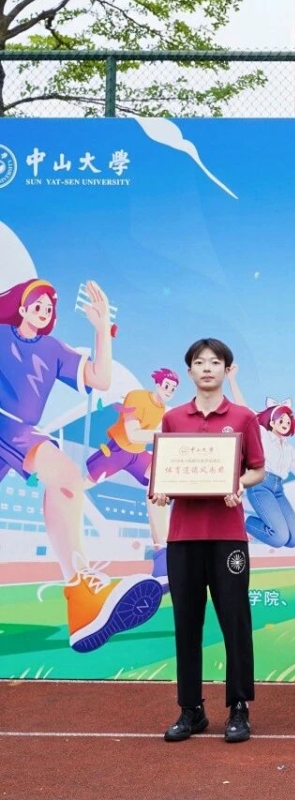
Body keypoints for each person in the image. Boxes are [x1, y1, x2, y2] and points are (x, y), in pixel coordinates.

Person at [0, 278, 163, 652]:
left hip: (19, 431)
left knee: (67, 478)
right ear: (21, 309)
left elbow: (100, 379)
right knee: (66, 477)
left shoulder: (52, 349)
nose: (44, 311)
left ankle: (82, 601)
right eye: (37, 305)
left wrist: (102, 328)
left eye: (49, 308)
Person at [153, 338, 265, 744]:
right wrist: (161, 489)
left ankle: (239, 707)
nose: (206, 368)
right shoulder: (173, 419)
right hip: (183, 536)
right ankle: (191, 709)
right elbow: (164, 471)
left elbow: (257, 470)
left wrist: (238, 482)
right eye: (199, 363)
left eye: (215, 362)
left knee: (235, 621)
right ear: (189, 372)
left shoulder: (243, 417)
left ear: (225, 369)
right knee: (186, 623)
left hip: (228, 536)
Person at [86, 367, 179, 590]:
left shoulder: (163, 410)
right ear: (158, 384)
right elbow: (133, 434)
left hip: (137, 455)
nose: (169, 391)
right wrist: (166, 434)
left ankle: (161, 554)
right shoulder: (137, 397)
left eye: (173, 389)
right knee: (83, 483)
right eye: (167, 386)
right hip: (117, 451)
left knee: (160, 480)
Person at [228, 364, 295, 549]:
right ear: (271, 422)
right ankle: (241, 519)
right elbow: (243, 409)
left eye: (288, 421)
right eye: (281, 420)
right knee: (279, 538)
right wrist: (232, 379)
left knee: (294, 539)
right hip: (260, 485)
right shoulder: (262, 434)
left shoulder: (288, 449)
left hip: (278, 489)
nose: (285, 424)